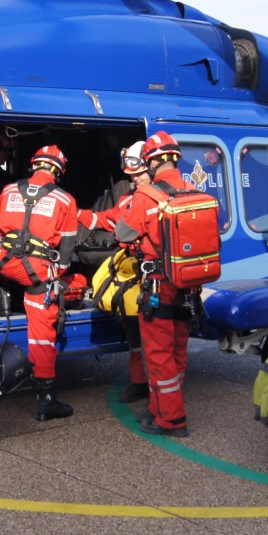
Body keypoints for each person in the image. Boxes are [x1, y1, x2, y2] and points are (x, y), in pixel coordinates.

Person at [0, 145, 79, 421]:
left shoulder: (8, 190)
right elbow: (66, 251)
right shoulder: (65, 200)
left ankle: (1, 297)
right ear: (58, 171)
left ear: (34, 165)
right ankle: (46, 398)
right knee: (43, 329)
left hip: (1, 262)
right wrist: (54, 277)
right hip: (35, 271)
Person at [114, 132, 195, 437]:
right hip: (188, 287)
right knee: (177, 350)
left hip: (160, 287)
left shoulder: (146, 196)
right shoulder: (192, 190)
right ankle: (161, 407)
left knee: (159, 355)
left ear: (151, 161)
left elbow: (123, 234)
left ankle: (171, 420)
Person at [78, 141, 151, 403]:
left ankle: (161, 392)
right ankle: (140, 383)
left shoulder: (158, 198)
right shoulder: (127, 198)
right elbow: (106, 218)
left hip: (153, 275)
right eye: (131, 174)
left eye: (139, 173)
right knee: (133, 332)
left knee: (157, 338)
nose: (134, 178)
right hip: (132, 275)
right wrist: (76, 213)